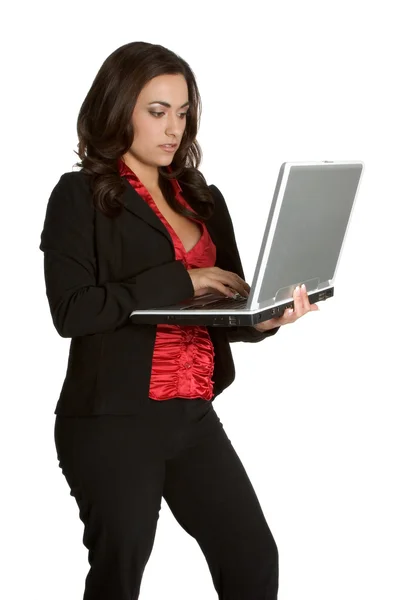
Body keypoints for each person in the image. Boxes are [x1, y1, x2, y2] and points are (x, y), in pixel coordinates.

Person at [39, 41, 318, 600]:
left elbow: (228, 307)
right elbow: (72, 311)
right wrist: (181, 278)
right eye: (157, 110)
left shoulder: (202, 199)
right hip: (112, 419)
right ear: (119, 109)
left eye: (184, 111)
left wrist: (266, 318)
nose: (173, 127)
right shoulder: (81, 197)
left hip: (191, 416)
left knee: (251, 555)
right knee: (121, 576)